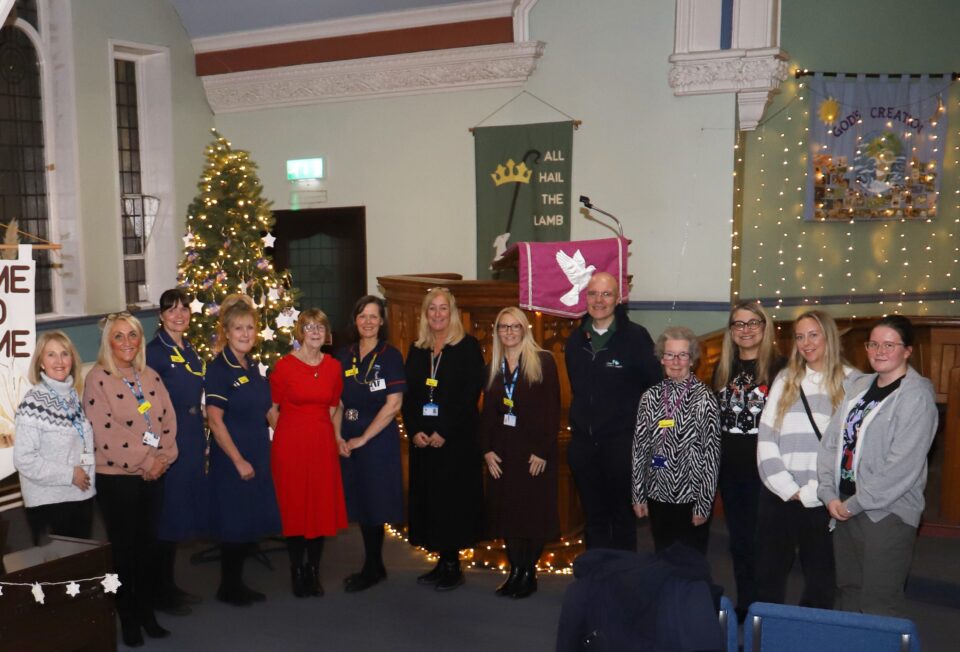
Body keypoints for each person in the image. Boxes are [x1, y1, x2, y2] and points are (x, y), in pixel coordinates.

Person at [818, 315, 938, 617]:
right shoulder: (858, 387)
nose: (879, 351)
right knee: (848, 590)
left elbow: (901, 467)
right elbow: (831, 443)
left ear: (907, 351)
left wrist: (856, 503)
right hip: (844, 505)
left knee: (878, 602)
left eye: (889, 345)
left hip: (887, 512)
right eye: (873, 344)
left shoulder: (916, 396)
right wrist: (828, 492)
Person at [84, 312, 178, 647]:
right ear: (108, 341)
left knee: (149, 548)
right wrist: (146, 460)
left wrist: (162, 457)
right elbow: (106, 432)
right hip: (118, 480)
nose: (127, 343)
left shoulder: (148, 375)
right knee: (124, 553)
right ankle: (128, 617)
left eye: (133, 335)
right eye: (119, 336)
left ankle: (146, 611)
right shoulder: (98, 379)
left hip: (154, 474)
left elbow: (167, 419)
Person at [756, 311, 859, 609]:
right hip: (780, 494)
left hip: (825, 498)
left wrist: (819, 491)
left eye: (813, 334)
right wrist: (788, 487)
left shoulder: (853, 382)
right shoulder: (786, 378)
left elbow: (851, 448)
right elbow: (766, 437)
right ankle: (769, 636)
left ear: (828, 336)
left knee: (821, 578)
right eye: (800, 336)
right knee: (769, 574)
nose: (806, 343)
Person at [566, 272, 660, 551]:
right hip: (584, 446)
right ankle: (595, 583)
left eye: (606, 294)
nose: (599, 300)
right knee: (593, 519)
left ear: (618, 298)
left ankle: (623, 583)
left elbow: (655, 387)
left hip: (621, 445)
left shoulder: (636, 337)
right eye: (593, 294)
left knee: (622, 519)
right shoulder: (575, 340)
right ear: (586, 298)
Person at [401, 287, 485, 591]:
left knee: (453, 501)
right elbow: (408, 396)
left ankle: (453, 564)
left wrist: (443, 431)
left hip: (456, 441)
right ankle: (440, 560)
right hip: (424, 440)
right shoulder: (417, 348)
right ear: (425, 314)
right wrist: (415, 431)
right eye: (432, 309)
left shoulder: (467, 347)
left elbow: (468, 396)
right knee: (430, 500)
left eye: (443, 309)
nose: (437, 314)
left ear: (453, 314)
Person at [205, 295, 281, 607]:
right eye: (238, 328)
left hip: (258, 452)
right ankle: (229, 587)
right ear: (226, 331)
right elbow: (214, 419)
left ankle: (236, 583)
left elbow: (270, 412)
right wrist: (237, 460)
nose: (246, 334)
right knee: (234, 524)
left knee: (248, 520)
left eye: (250, 327)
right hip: (233, 458)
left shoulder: (251, 367)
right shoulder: (219, 369)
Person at [481, 307, 560, 599]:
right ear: (497, 331)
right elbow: (487, 413)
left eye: (515, 326)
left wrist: (542, 451)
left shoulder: (543, 362)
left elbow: (552, 411)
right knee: (508, 513)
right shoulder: (493, 366)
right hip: (503, 452)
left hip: (534, 454)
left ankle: (529, 571)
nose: (509, 332)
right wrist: (487, 450)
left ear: (524, 329)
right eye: (503, 327)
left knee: (533, 513)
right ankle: (515, 570)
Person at [711, 300, 784, 618]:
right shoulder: (722, 368)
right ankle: (746, 603)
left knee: (766, 544)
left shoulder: (781, 369)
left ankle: (767, 610)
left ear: (764, 328)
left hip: (767, 472)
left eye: (753, 323)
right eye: (739, 324)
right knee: (739, 542)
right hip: (731, 471)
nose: (746, 330)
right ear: (731, 331)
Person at [268, 308, 347, 598]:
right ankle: (296, 569)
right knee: (295, 509)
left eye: (320, 327)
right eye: (309, 327)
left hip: (322, 446)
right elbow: (272, 408)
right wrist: (290, 432)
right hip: (290, 448)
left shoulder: (334, 367)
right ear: (300, 332)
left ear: (327, 334)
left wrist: (331, 435)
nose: (315, 332)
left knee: (319, 509)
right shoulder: (284, 366)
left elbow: (333, 405)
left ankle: (313, 570)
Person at [334, 296, 406, 592]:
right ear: (355, 320)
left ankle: (373, 566)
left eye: (373, 317)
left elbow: (393, 404)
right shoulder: (343, 354)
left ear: (381, 321)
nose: (367, 321)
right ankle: (373, 565)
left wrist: (364, 437)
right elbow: (336, 401)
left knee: (376, 503)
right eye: (362, 316)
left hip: (377, 439)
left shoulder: (390, 356)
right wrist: (337, 435)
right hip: (348, 436)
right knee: (360, 502)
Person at [145, 289, 207, 615]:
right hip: (170, 438)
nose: (179, 315)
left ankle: (169, 585)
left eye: (183, 309)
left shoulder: (189, 348)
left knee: (180, 509)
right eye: (172, 310)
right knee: (166, 514)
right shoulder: (155, 352)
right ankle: (159, 590)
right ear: (161, 315)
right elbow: (144, 400)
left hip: (193, 436)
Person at [632, 326, 720, 555]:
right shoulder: (650, 397)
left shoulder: (705, 398)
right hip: (657, 493)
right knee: (663, 557)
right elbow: (640, 449)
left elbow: (712, 456)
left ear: (692, 360)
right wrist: (638, 493)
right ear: (662, 358)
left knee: (690, 563)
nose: (676, 361)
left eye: (683, 355)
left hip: (691, 496)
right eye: (670, 354)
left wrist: (704, 503)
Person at [14, 331, 96, 545]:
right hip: (50, 503)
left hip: (80, 495)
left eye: (64, 354)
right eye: (51, 355)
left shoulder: (71, 397)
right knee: (61, 572)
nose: (59, 361)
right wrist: (70, 474)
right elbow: (24, 459)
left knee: (82, 566)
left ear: (72, 359)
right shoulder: (33, 403)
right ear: (41, 363)